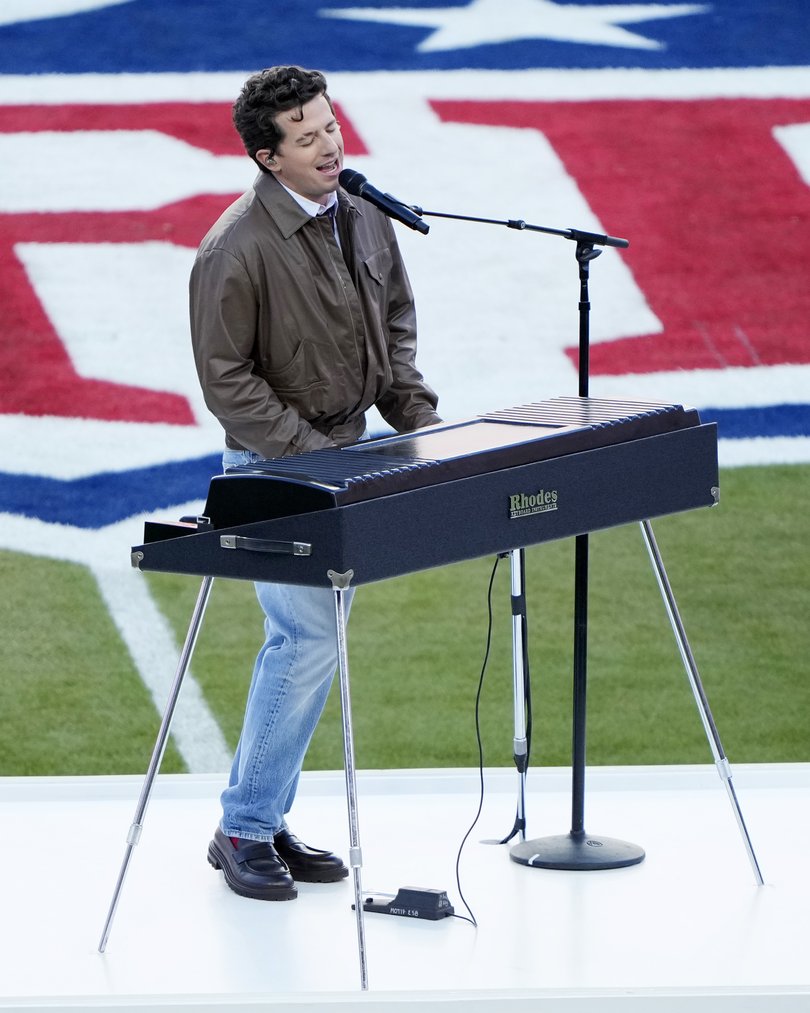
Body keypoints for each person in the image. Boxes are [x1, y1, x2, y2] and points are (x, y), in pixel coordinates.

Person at [189, 65, 441, 901]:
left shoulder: (365, 213)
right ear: (269, 157)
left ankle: (264, 814)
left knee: (310, 647)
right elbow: (227, 379)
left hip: (348, 457)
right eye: (308, 137)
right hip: (276, 469)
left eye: (331, 126)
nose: (331, 144)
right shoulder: (234, 249)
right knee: (304, 644)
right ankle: (244, 827)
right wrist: (306, 455)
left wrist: (417, 416)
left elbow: (393, 324)